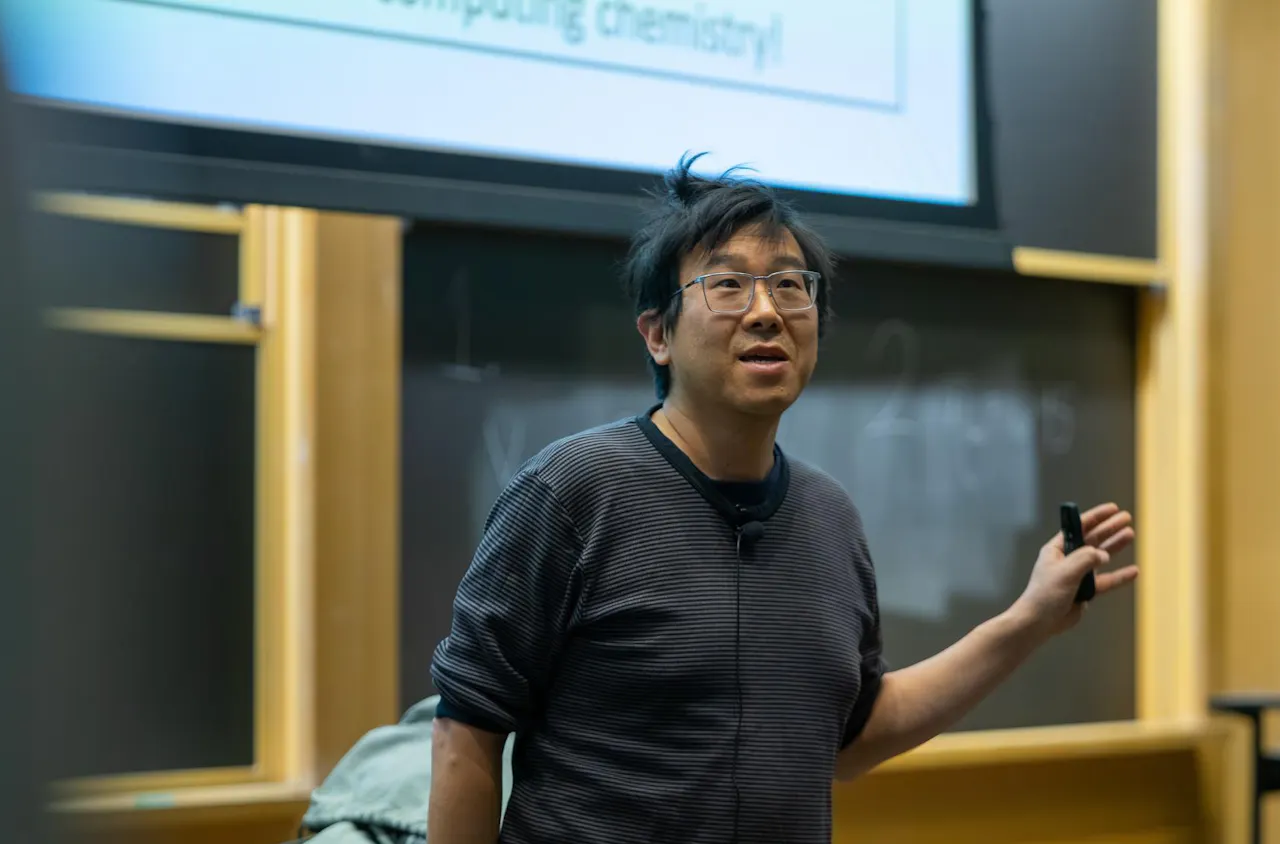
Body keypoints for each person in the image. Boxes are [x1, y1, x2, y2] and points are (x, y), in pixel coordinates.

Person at [427, 154, 1137, 844]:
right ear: (657, 334)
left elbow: (852, 739)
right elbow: (467, 733)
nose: (766, 311)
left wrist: (1029, 620)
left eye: (791, 286)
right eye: (728, 286)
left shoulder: (830, 518)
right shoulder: (574, 490)